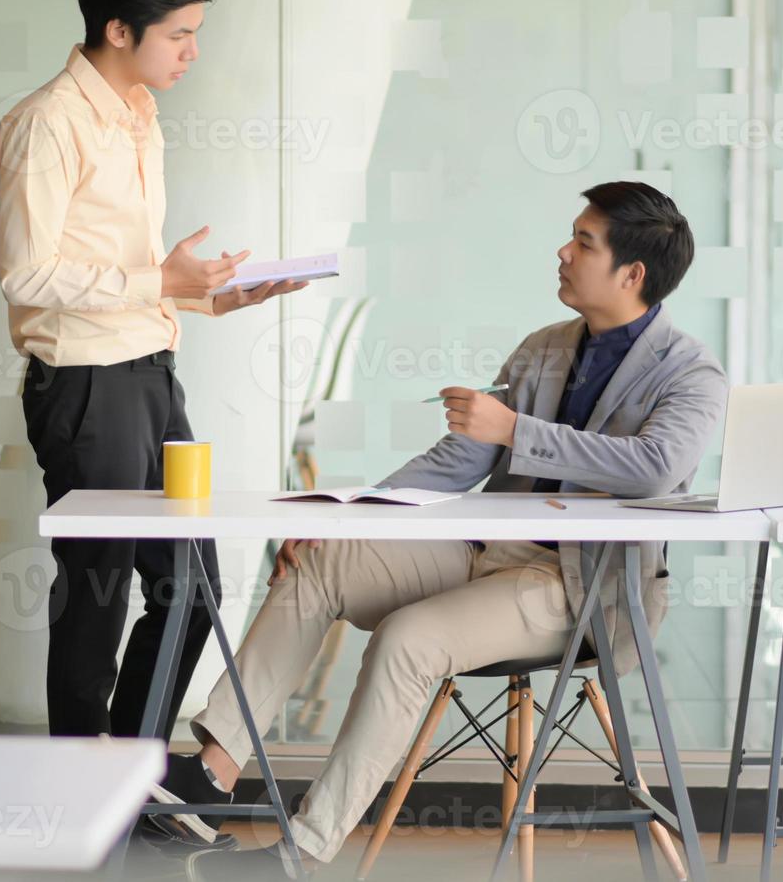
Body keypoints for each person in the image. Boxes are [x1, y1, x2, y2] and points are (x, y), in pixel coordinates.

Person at [157, 182, 729, 880]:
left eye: (583, 243)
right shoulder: (543, 347)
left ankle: (299, 853)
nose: (562, 251)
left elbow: (654, 469)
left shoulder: (691, 371)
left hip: (574, 584)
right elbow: (460, 461)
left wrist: (516, 429)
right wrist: (345, 515)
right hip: (480, 550)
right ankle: (209, 778)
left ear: (631, 274)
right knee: (319, 565)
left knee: (409, 639)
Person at [0, 0, 307, 740]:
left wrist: (211, 297)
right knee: (95, 600)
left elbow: (128, 271)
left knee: (191, 592)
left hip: (149, 373)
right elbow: (28, 277)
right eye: (180, 33)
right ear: (119, 30)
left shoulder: (139, 118)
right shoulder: (46, 123)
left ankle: (131, 779)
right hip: (86, 387)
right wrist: (161, 284)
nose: (192, 52)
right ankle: (81, 794)